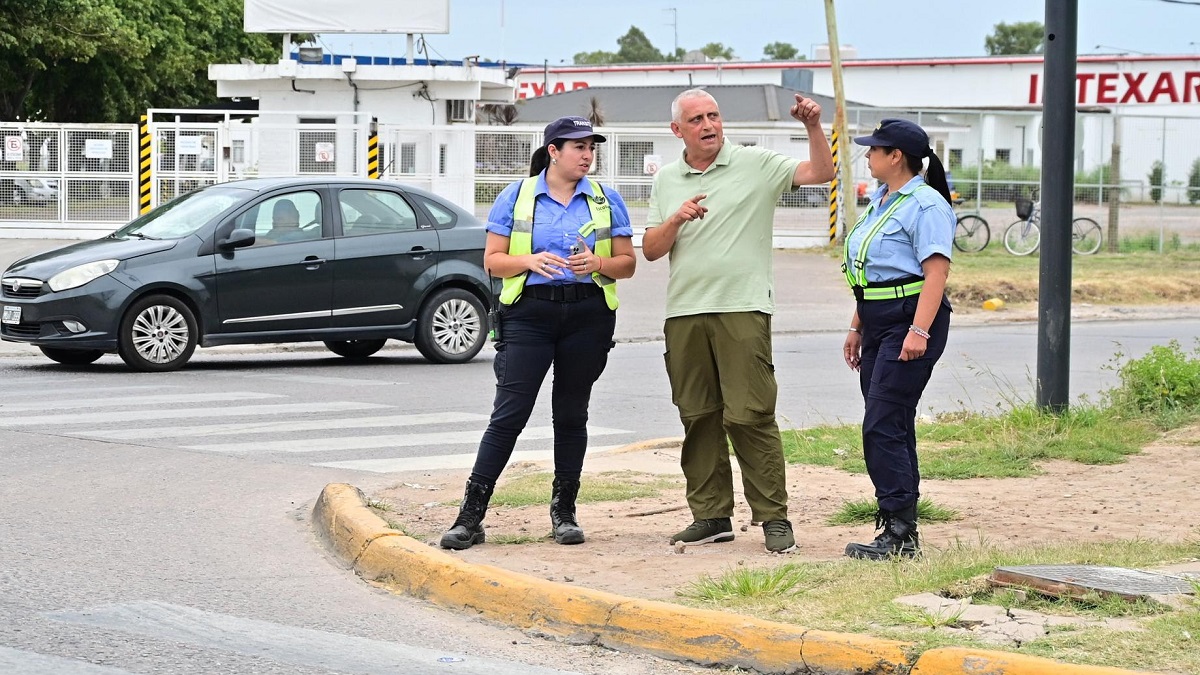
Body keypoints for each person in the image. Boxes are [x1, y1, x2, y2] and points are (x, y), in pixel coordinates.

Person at [641, 89, 835, 553]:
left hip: (742, 307)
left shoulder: (754, 163)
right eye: (696, 119)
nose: (708, 125)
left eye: (714, 116)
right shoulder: (668, 178)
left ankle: (773, 518)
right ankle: (711, 516)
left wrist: (812, 126)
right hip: (684, 312)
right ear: (677, 130)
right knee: (698, 416)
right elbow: (650, 248)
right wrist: (677, 219)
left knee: (750, 414)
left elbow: (821, 174)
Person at [440, 116, 636, 550]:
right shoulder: (517, 195)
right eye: (578, 147)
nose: (587, 155)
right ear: (553, 151)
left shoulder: (606, 200)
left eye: (591, 147)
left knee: (571, 414)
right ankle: (470, 518)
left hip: (587, 315)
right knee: (509, 414)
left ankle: (564, 513)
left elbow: (628, 262)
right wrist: (528, 260)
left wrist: (598, 264)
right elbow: (493, 260)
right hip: (529, 315)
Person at [841, 119, 956, 560]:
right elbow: (869, 275)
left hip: (910, 320)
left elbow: (936, 274)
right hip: (877, 319)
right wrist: (857, 327)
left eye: (874, 149)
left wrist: (919, 331)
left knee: (881, 424)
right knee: (892, 421)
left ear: (896, 157)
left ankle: (900, 534)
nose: (868, 155)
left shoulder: (925, 205)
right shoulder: (883, 200)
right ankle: (899, 527)